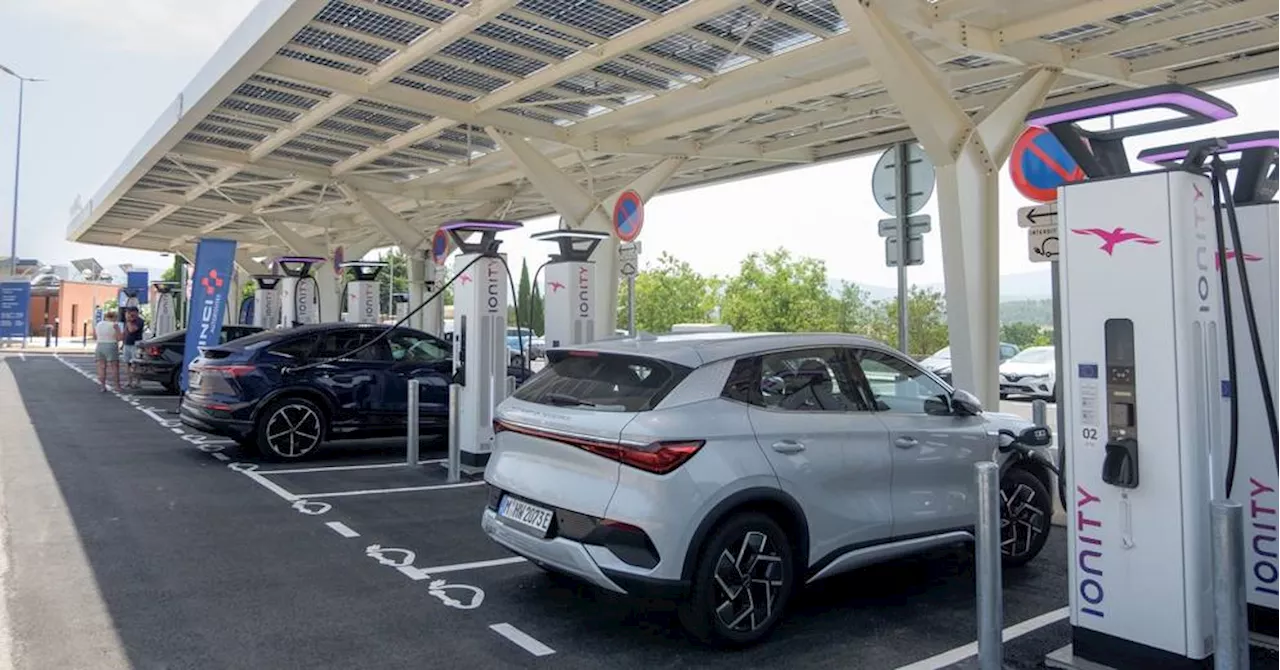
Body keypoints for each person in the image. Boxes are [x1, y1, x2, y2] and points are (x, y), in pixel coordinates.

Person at [94, 311, 123, 393]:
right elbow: (119, 338)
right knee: (114, 367)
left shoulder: (99, 324)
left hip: (100, 345)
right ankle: (117, 386)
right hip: (111, 345)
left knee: (101, 367)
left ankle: (102, 386)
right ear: (114, 317)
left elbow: (96, 336)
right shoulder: (114, 325)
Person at [122, 308, 146, 389]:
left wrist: (129, 321)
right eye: (128, 313)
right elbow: (126, 332)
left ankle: (138, 382)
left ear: (136, 313)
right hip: (127, 344)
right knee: (127, 363)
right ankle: (129, 381)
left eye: (131, 313)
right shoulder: (127, 321)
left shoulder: (139, 321)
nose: (130, 315)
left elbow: (132, 330)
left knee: (136, 364)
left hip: (136, 344)